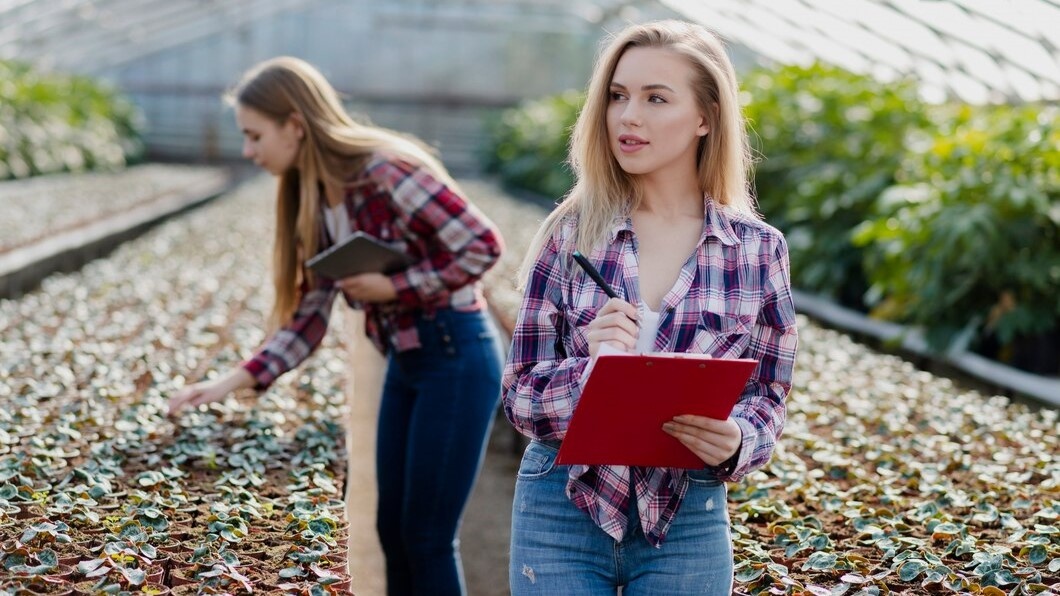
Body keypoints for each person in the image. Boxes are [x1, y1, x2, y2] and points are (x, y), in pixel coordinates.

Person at [166, 56, 506, 596]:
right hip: (408, 362)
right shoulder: (317, 198)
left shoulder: (385, 171)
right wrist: (231, 382)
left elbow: (482, 243)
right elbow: (309, 317)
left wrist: (395, 287)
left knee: (427, 537)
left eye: (255, 136)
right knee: (390, 531)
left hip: (457, 358)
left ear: (294, 126)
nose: (248, 151)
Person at [502, 20, 798, 594]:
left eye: (655, 98)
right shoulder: (571, 234)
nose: (628, 116)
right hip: (562, 500)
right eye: (618, 96)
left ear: (706, 117)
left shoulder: (758, 249)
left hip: (687, 512)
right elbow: (519, 396)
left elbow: (767, 396)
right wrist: (589, 368)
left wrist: (738, 439)